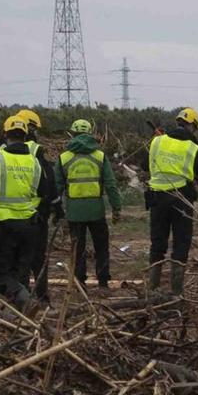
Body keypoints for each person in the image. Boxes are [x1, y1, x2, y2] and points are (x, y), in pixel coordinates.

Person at [146, 107, 198, 296]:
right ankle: (177, 292)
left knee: (157, 243)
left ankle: (152, 289)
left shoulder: (157, 141)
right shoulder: (192, 147)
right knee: (181, 243)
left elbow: (145, 164)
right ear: (192, 125)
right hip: (181, 199)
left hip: (157, 198)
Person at [0, 114, 45, 309]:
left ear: (5, 135)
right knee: (21, 273)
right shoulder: (35, 163)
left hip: (3, 226)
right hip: (29, 226)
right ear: (26, 136)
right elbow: (43, 192)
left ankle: (23, 301)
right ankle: (22, 316)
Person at [61, 118, 122, 288]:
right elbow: (110, 184)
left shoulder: (64, 158)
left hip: (74, 212)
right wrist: (116, 208)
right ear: (90, 134)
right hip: (97, 211)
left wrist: (58, 212)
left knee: (77, 249)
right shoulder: (100, 156)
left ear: (72, 134)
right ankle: (103, 281)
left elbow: (57, 187)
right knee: (101, 247)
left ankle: (80, 282)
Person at [17, 109, 61, 301]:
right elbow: (49, 182)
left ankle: (21, 295)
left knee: (18, 259)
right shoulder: (35, 152)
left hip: (8, 217)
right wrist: (57, 207)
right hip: (35, 215)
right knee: (38, 257)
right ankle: (41, 296)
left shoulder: (2, 153)